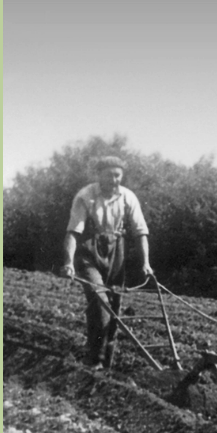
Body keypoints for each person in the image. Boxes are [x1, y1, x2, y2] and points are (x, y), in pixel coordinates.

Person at [61, 156, 154, 370]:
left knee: (114, 305)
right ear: (99, 175)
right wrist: (68, 263)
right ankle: (95, 360)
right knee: (99, 301)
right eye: (109, 175)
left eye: (117, 175)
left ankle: (107, 362)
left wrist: (146, 263)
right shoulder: (86, 196)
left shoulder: (128, 197)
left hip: (116, 253)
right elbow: (73, 232)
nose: (114, 180)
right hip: (89, 253)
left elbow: (141, 232)